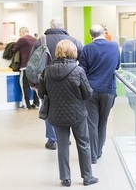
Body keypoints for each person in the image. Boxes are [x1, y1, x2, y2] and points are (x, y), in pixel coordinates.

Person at [38, 39, 98, 187]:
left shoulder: (47, 71)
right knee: (83, 144)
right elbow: (87, 94)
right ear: (73, 52)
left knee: (63, 147)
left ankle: (65, 178)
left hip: (56, 115)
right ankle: (87, 177)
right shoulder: (78, 71)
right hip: (78, 115)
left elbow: (41, 94)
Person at [30, 17, 83, 150]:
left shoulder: (42, 41)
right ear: (62, 26)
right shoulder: (74, 41)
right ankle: (65, 137)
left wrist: (33, 83)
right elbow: (84, 59)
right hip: (70, 79)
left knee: (48, 107)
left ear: (50, 26)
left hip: (47, 79)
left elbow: (33, 63)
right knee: (68, 107)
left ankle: (52, 140)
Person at [79, 24, 120, 164]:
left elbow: (81, 71)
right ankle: (99, 151)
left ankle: (93, 155)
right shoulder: (114, 46)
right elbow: (117, 66)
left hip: (90, 91)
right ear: (104, 33)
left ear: (91, 36)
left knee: (91, 123)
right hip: (108, 89)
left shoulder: (87, 48)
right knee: (103, 122)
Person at [12, 27, 40, 110]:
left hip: (25, 66)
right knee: (35, 86)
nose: (19, 35)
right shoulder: (35, 40)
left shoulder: (22, 39)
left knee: (25, 86)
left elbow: (14, 49)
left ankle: (26, 104)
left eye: (20, 33)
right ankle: (36, 103)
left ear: (22, 32)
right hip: (35, 67)